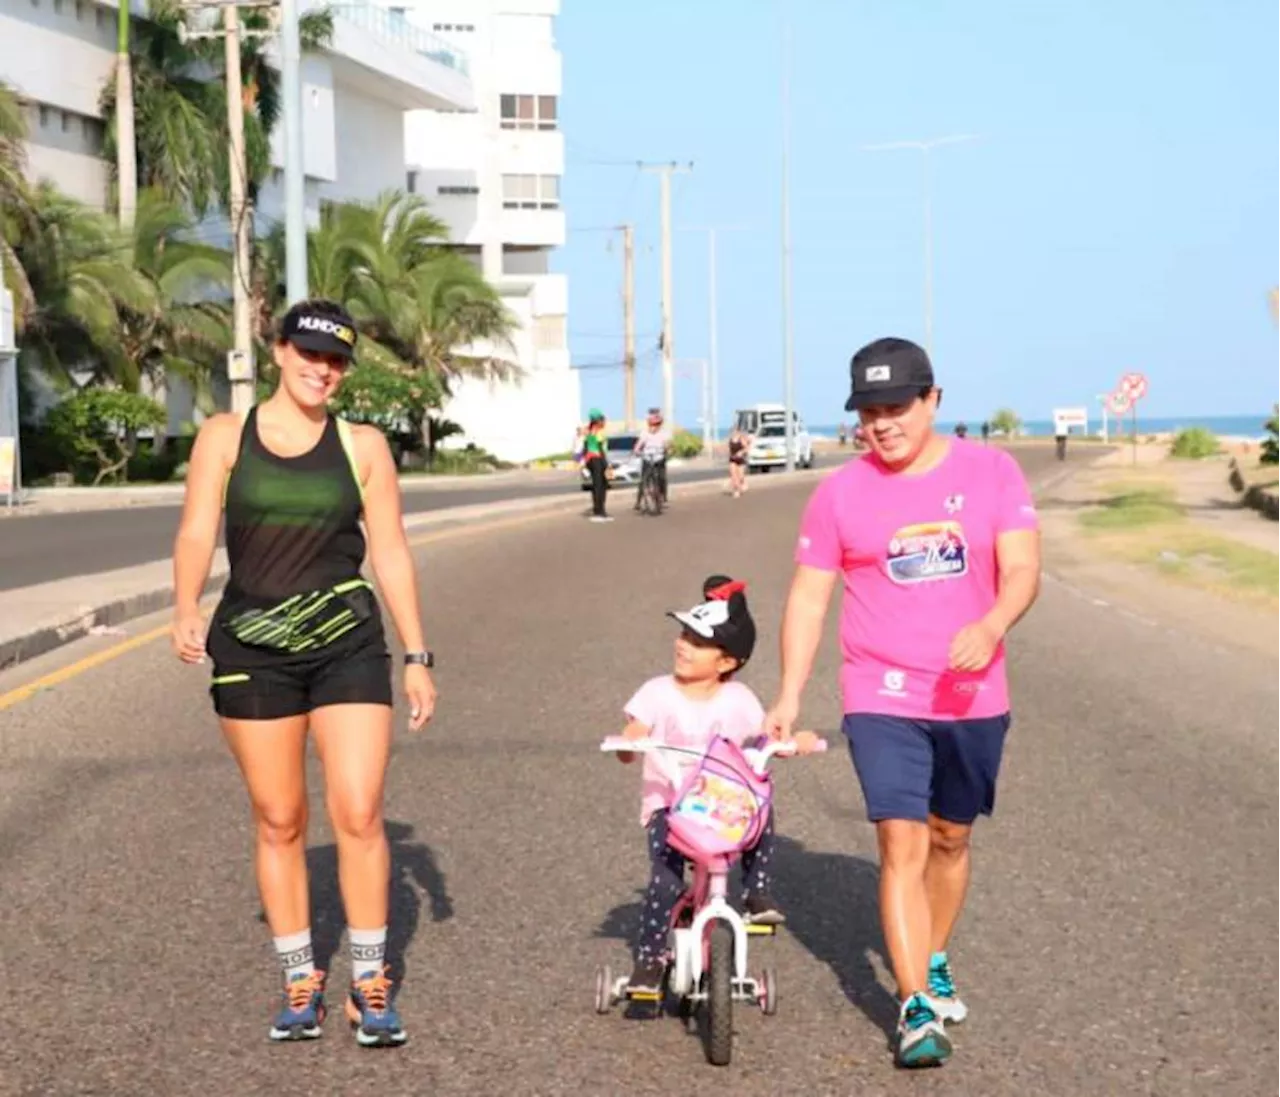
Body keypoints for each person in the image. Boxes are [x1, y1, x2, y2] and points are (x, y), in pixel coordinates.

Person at [765, 336, 1041, 1069]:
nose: (881, 424)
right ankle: (916, 1003)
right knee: (900, 838)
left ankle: (937, 952)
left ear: (933, 400)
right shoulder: (839, 493)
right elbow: (808, 597)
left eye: (896, 407)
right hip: (880, 690)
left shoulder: (993, 472)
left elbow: (1022, 569)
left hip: (973, 694)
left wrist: (990, 623)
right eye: (868, 411)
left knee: (950, 836)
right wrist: (789, 693)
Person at [170, 298, 438, 1048]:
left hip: (347, 643)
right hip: (252, 647)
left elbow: (389, 551)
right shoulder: (226, 438)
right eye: (311, 354)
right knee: (281, 817)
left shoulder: (364, 447)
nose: (323, 370)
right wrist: (185, 604)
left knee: (357, 809)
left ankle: (369, 979)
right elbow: (196, 528)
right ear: (280, 350)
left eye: (337, 360)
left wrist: (416, 654)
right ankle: (299, 976)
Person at [614, 576, 818, 996]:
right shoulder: (657, 692)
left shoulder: (739, 699)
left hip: (721, 807)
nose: (683, 645)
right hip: (671, 808)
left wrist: (789, 743)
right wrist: (630, 739)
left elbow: (763, 741)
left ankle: (758, 892)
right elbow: (631, 736)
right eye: (684, 634)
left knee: (762, 811)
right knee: (666, 882)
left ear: (727, 662)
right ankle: (650, 960)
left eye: (698, 641)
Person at [633, 407, 672, 508]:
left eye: (657, 424)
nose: (654, 427)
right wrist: (637, 451)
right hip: (647, 458)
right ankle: (638, 501)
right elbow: (638, 445)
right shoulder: (644, 433)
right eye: (652, 424)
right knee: (643, 479)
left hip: (659, 458)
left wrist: (667, 450)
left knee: (662, 477)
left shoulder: (663, 434)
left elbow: (667, 444)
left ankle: (663, 497)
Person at [581, 409, 612, 523]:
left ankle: (597, 509)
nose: (604, 422)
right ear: (597, 421)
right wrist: (606, 464)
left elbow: (585, 448)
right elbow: (600, 449)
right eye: (602, 420)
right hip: (597, 460)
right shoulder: (597, 432)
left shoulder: (588, 431)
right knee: (601, 486)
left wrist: (585, 462)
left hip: (590, 460)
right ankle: (600, 510)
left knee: (596, 485)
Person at [726, 425, 750, 498]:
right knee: (733, 475)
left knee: (740, 476)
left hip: (740, 459)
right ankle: (736, 490)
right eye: (732, 431)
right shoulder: (730, 439)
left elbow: (746, 448)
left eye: (735, 431)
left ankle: (743, 483)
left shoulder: (741, 438)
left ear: (738, 431)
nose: (733, 432)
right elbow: (729, 448)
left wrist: (741, 452)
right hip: (732, 459)